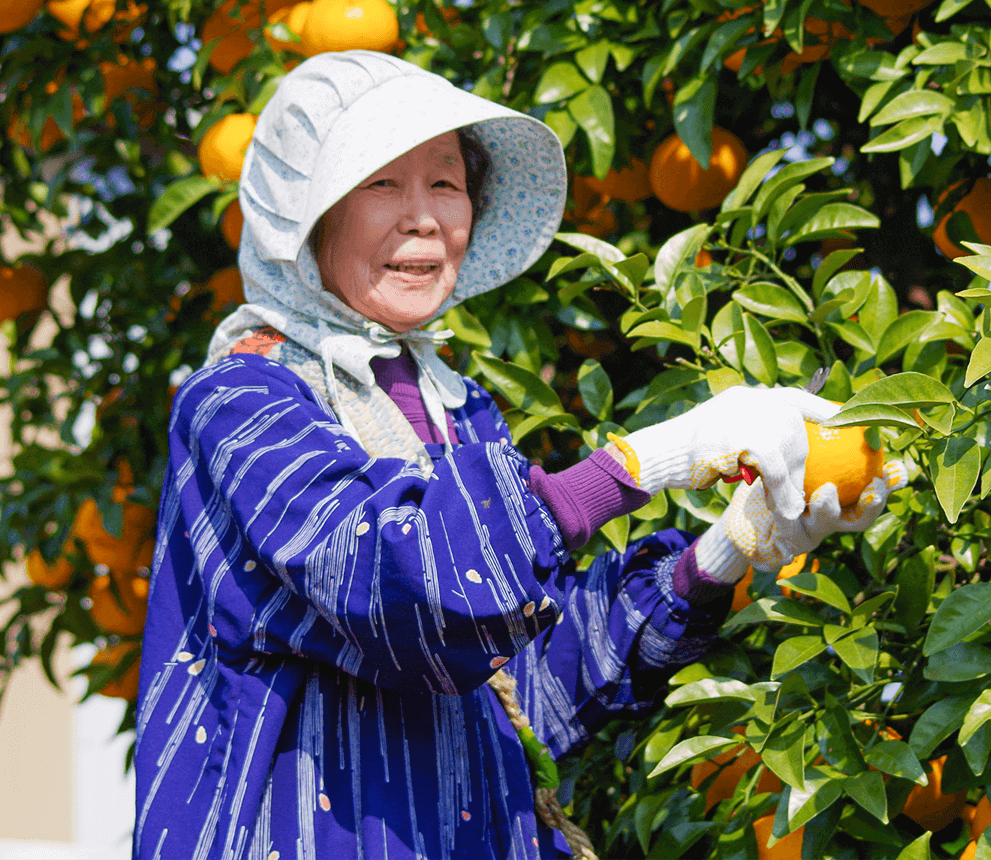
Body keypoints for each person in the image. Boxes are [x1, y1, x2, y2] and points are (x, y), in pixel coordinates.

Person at [133, 50, 905, 860]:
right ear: (308, 215)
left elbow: (521, 688)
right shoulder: (241, 404)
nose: (423, 216)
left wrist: (726, 550)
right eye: (381, 184)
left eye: (444, 182)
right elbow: (401, 581)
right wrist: (654, 457)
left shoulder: (459, 413)